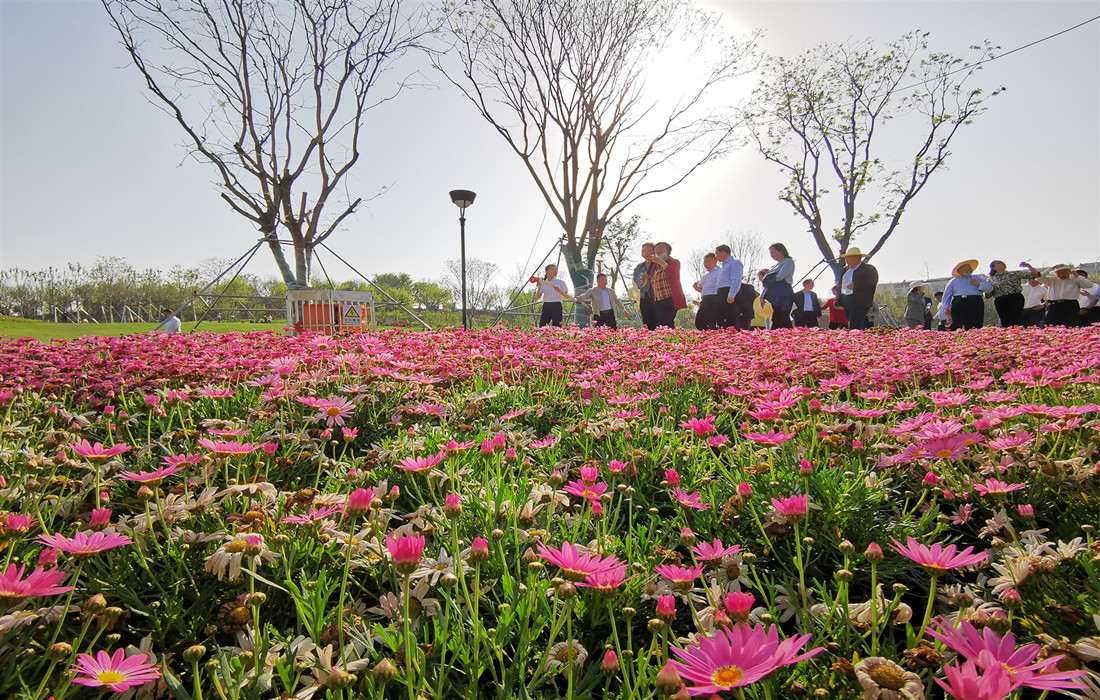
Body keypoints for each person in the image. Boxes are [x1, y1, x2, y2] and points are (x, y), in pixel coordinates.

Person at [942, 259, 992, 330]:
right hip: (959, 302)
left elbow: (989, 288)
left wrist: (978, 284)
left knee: (975, 324)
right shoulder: (953, 281)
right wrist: (946, 307)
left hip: (975, 301)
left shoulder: (977, 278)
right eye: (966, 270)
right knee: (957, 323)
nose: (969, 271)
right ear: (959, 271)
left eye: (970, 269)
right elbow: (947, 294)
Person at [987, 260, 1040, 327]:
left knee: (1016, 319)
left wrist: (1028, 266)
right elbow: (989, 293)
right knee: (1005, 321)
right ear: (994, 268)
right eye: (998, 263)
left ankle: (1016, 334)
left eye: (1002, 262)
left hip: (1015, 298)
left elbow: (1036, 274)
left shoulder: (1014, 274)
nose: (1002, 263)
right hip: (1001, 301)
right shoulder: (991, 279)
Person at [838, 247, 878, 330]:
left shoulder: (869, 269)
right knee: (852, 322)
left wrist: (856, 285)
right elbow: (840, 285)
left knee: (855, 323)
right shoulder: (845, 270)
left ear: (856, 258)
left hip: (861, 301)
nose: (846, 260)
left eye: (848, 258)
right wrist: (838, 301)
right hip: (847, 301)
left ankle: (856, 339)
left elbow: (872, 281)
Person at [648, 241, 686, 328]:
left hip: (669, 298)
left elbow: (673, 273)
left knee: (666, 322)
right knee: (659, 323)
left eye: (661, 247)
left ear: (668, 251)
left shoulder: (674, 262)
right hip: (658, 299)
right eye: (656, 248)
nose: (658, 249)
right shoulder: (655, 266)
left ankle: (670, 340)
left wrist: (661, 262)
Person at [761, 243, 795, 328]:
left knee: (783, 316)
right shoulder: (775, 265)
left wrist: (768, 280)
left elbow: (780, 277)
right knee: (776, 316)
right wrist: (762, 295)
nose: (771, 255)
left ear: (781, 251)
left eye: (773, 252)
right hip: (774, 294)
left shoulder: (788, 262)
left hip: (784, 293)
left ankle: (788, 336)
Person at [714, 244, 743, 329]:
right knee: (720, 318)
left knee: (731, 318)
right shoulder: (722, 267)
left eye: (717, 254)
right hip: (720, 292)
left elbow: (736, 279)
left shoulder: (734, 262)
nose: (716, 257)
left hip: (728, 291)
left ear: (723, 253)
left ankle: (733, 338)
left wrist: (731, 294)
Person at [693, 253, 723, 330]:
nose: (706, 263)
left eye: (709, 261)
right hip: (705, 300)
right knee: (699, 322)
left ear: (715, 260)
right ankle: (707, 336)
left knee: (711, 322)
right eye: (705, 261)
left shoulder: (720, 272)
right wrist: (695, 288)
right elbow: (704, 290)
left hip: (715, 299)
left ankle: (714, 337)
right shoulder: (705, 276)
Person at [633, 242, 657, 330]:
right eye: (643, 251)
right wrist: (641, 282)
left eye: (649, 251)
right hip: (644, 297)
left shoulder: (657, 265)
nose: (646, 253)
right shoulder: (639, 267)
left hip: (656, 297)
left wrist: (650, 278)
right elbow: (635, 282)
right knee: (647, 323)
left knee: (658, 322)